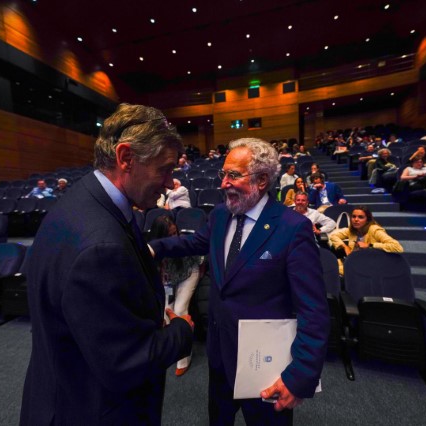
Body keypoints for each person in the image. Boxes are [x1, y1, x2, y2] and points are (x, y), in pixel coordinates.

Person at [20, 103, 194, 426]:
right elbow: (125, 362)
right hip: (91, 410)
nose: (171, 184)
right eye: (165, 169)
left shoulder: (80, 201)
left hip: (62, 391)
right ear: (126, 158)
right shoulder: (100, 246)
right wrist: (182, 331)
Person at [150, 138, 329, 425]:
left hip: (265, 366)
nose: (223, 184)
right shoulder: (220, 214)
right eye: (224, 175)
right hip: (220, 356)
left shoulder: (293, 228)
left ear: (261, 180)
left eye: (233, 175)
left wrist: (301, 376)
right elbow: (196, 242)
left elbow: (314, 310)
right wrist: (153, 248)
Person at [148, 215, 204, 376]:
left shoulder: (183, 241)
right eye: (170, 235)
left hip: (188, 274)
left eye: (175, 233)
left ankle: (184, 356)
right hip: (169, 282)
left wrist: (199, 275)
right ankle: (172, 350)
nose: (175, 238)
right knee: (166, 312)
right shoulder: (154, 249)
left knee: (180, 310)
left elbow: (200, 259)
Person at [327, 206, 404, 275]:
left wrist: (370, 245)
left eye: (360, 217)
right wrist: (344, 246)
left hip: (369, 264)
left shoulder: (375, 230)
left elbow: (397, 247)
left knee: (332, 269)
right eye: (354, 216)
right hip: (354, 260)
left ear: (367, 220)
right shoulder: (353, 229)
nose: (356, 219)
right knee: (327, 263)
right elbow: (334, 236)